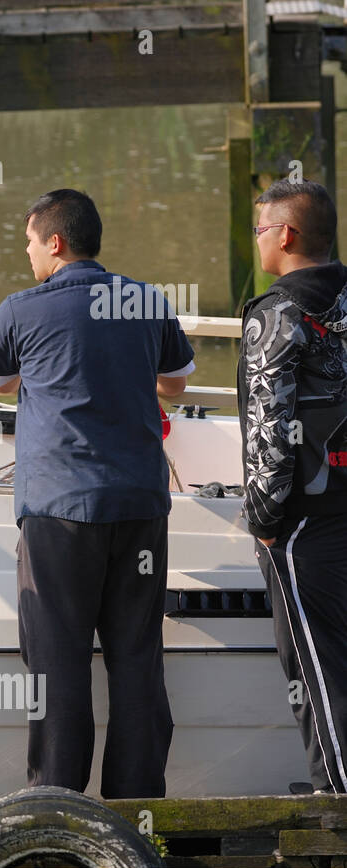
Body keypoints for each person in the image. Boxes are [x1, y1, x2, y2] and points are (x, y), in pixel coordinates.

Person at [0, 188, 195, 799]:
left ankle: (58, 804)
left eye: (29, 242)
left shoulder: (21, 310)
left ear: (55, 241)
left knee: (57, 664)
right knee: (136, 658)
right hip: (139, 504)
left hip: (59, 509)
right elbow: (176, 382)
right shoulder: (145, 300)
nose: (26, 254)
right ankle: (136, 808)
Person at [240, 179, 347, 795]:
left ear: (285, 235)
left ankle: (336, 793)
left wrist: (265, 520)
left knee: (317, 666)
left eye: (259, 230)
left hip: (307, 518)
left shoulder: (277, 312)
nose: (257, 242)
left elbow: (271, 428)